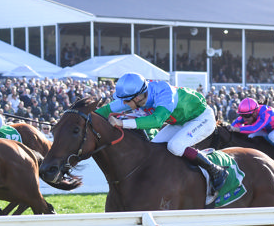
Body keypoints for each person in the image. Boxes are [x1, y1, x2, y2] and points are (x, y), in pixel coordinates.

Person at [95, 72, 227, 191]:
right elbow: (105, 111)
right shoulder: (134, 97)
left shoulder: (164, 92)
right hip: (180, 122)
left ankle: (215, 170)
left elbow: (157, 121)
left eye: (126, 100)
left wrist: (122, 123)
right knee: (153, 149)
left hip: (201, 118)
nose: (124, 103)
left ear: (137, 97)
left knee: (175, 146)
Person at [231, 97, 274, 171]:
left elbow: (254, 128)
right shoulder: (250, 113)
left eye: (246, 116)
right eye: (242, 115)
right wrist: (230, 127)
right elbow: (235, 124)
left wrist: (238, 129)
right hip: (269, 129)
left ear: (255, 112)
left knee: (272, 136)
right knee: (250, 136)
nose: (244, 118)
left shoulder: (265, 112)